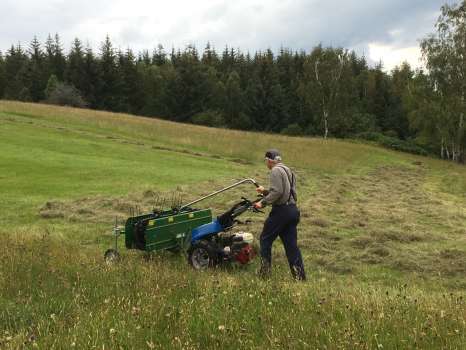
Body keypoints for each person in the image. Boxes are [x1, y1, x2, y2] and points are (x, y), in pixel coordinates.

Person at [253, 149, 306, 280]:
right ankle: (300, 277)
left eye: (266, 160)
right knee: (291, 246)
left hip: (281, 212)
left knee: (265, 239)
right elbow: (284, 192)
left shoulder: (275, 171)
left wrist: (262, 202)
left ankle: (264, 274)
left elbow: (277, 192)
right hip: (292, 211)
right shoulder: (288, 170)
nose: (266, 163)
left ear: (269, 160)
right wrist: (265, 191)